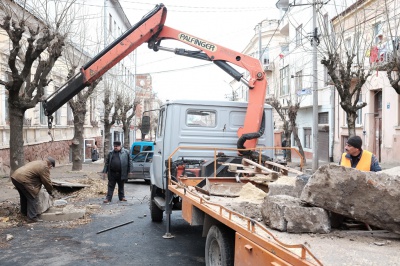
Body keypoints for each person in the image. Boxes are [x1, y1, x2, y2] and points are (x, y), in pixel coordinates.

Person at [10, 157, 56, 223]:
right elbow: (46, 181)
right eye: (51, 167)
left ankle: (24, 213)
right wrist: (50, 191)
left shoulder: (38, 162)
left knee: (24, 196)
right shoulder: (44, 167)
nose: (50, 169)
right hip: (23, 179)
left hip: (15, 177)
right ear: (50, 165)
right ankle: (32, 217)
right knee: (32, 197)